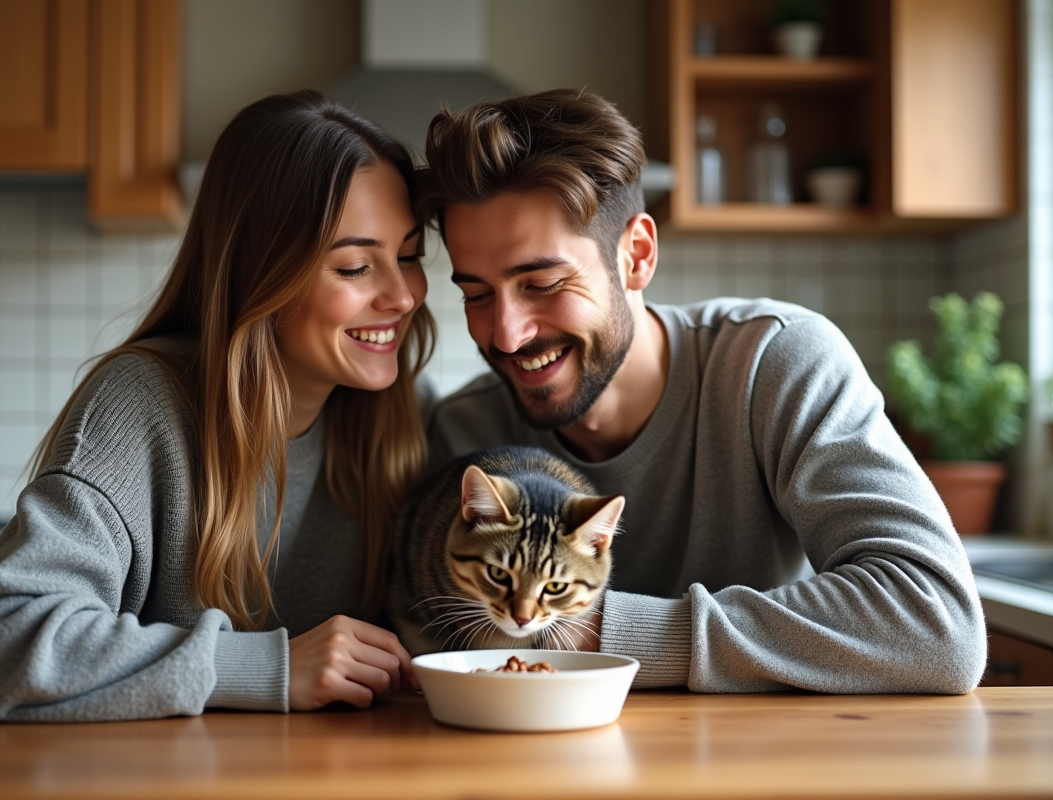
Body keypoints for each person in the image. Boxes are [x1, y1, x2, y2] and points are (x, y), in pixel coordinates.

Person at [417, 88, 986, 694]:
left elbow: (938, 624)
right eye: (476, 294)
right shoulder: (465, 432)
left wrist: (607, 630)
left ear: (636, 255)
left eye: (543, 282)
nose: (505, 335)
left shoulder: (776, 364)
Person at [0, 91, 436, 720]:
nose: (402, 295)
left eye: (411, 255)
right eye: (356, 267)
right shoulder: (142, 405)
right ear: (262, 273)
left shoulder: (407, 413)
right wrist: (268, 667)